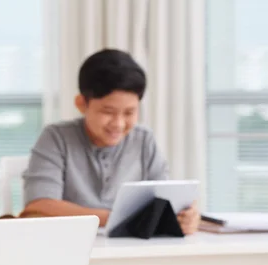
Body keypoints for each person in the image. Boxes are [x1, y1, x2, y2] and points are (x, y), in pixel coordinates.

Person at [21, 48, 200, 234]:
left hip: (130, 252)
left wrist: (184, 218)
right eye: (108, 112)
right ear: (81, 103)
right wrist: (118, 218)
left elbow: (165, 201)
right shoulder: (56, 138)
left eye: (129, 112)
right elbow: (39, 205)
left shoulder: (144, 140)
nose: (119, 124)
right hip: (70, 247)